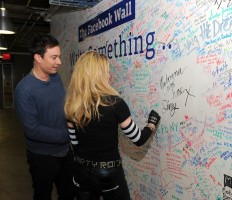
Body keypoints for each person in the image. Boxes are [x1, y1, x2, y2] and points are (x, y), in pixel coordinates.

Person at [64, 50, 161, 200]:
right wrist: (152, 124)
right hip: (108, 174)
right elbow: (138, 139)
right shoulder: (116, 103)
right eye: (107, 72)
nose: (110, 76)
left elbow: (75, 144)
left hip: (81, 172)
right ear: (99, 75)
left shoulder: (72, 104)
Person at [14, 34, 76, 200]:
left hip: (65, 152)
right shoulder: (24, 90)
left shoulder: (55, 78)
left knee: (69, 194)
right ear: (38, 58)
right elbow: (32, 130)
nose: (59, 62)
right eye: (54, 57)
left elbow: (61, 107)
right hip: (42, 157)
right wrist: (66, 135)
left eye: (59, 57)